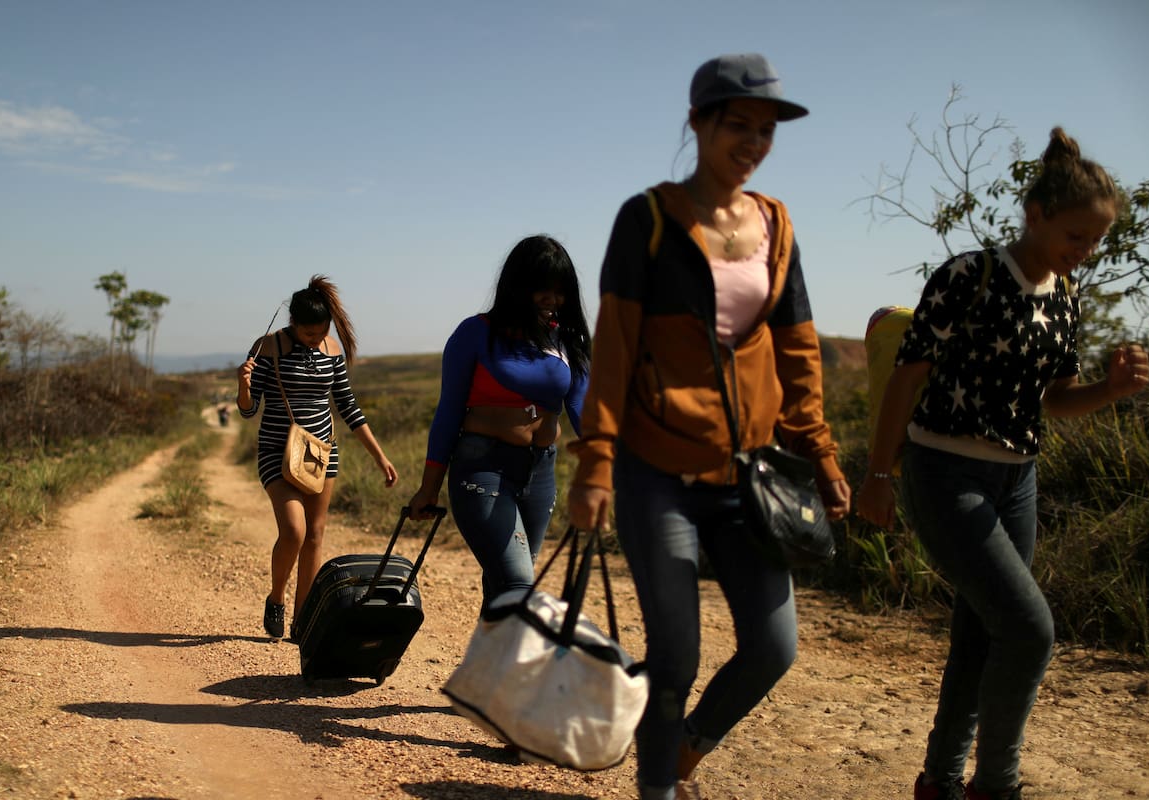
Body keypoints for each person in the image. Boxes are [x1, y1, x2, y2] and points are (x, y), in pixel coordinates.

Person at [567, 54, 850, 800]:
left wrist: (818, 452)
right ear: (697, 122)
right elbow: (617, 346)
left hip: (749, 475)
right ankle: (657, 791)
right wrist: (596, 461)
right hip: (656, 469)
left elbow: (797, 346)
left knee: (773, 646)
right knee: (676, 658)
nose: (754, 142)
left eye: (766, 130)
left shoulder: (776, 225)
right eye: (738, 125)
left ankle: (685, 749)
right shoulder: (651, 220)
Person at [856, 128, 1149, 800]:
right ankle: (999, 785)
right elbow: (907, 378)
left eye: (1096, 241)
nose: (1086, 252)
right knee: (1028, 628)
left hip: (1017, 480)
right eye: (1076, 236)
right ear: (1036, 214)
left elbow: (1053, 400)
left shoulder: (1065, 299)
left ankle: (939, 781)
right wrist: (879, 473)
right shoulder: (968, 276)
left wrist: (1110, 391)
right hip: (944, 474)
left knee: (982, 632)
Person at [407, 235, 590, 612]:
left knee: (504, 589)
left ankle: (488, 670)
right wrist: (429, 488)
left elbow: (582, 409)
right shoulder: (475, 334)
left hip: (541, 473)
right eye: (542, 290)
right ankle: (513, 669)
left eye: (560, 292)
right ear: (518, 287)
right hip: (483, 469)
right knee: (519, 588)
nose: (551, 300)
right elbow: (448, 412)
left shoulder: (567, 339)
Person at [237, 275, 398, 639]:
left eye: (320, 331)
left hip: (320, 455)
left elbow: (348, 407)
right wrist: (243, 386)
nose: (315, 339)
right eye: (308, 333)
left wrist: (379, 457)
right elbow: (249, 411)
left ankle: (302, 620)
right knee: (293, 531)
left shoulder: (332, 349)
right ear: (293, 323)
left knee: (315, 534)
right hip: (276, 453)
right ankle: (277, 598)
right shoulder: (269, 346)